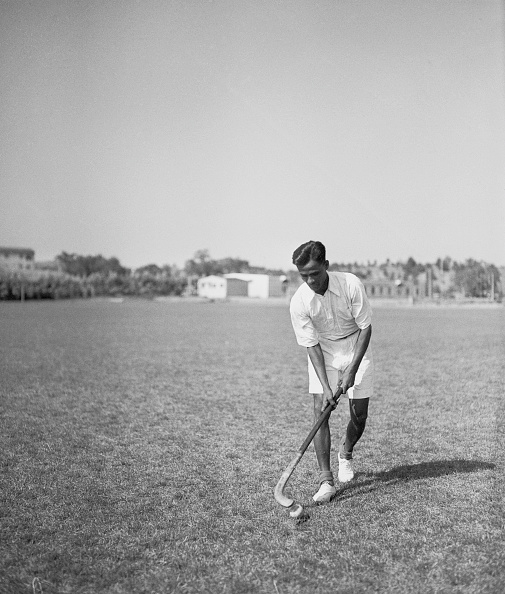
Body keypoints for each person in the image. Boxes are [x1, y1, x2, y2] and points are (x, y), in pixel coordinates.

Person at [289, 240, 374, 503]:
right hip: (323, 352)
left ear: (326, 265)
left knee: (359, 415)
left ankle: (345, 452)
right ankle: (326, 481)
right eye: (304, 276)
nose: (310, 281)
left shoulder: (350, 284)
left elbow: (366, 328)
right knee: (320, 410)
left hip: (355, 344)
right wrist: (326, 387)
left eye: (315, 273)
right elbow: (311, 345)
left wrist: (351, 369)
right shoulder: (299, 301)